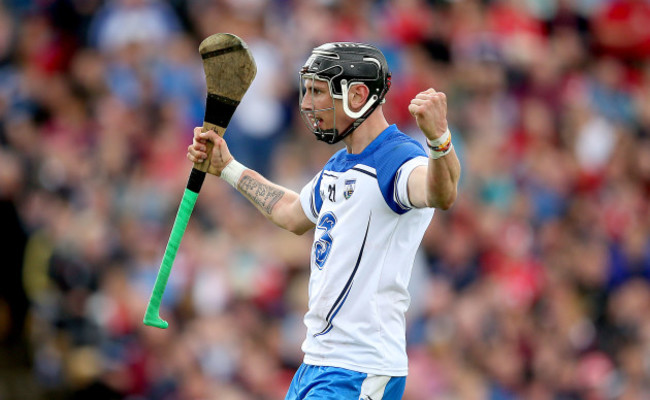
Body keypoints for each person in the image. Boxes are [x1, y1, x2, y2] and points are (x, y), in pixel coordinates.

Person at [187, 42, 461, 400]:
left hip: (359, 364)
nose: (305, 103)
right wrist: (228, 168)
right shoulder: (338, 165)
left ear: (358, 94)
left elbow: (441, 194)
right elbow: (292, 213)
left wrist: (439, 140)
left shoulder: (398, 159)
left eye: (317, 91)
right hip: (317, 362)